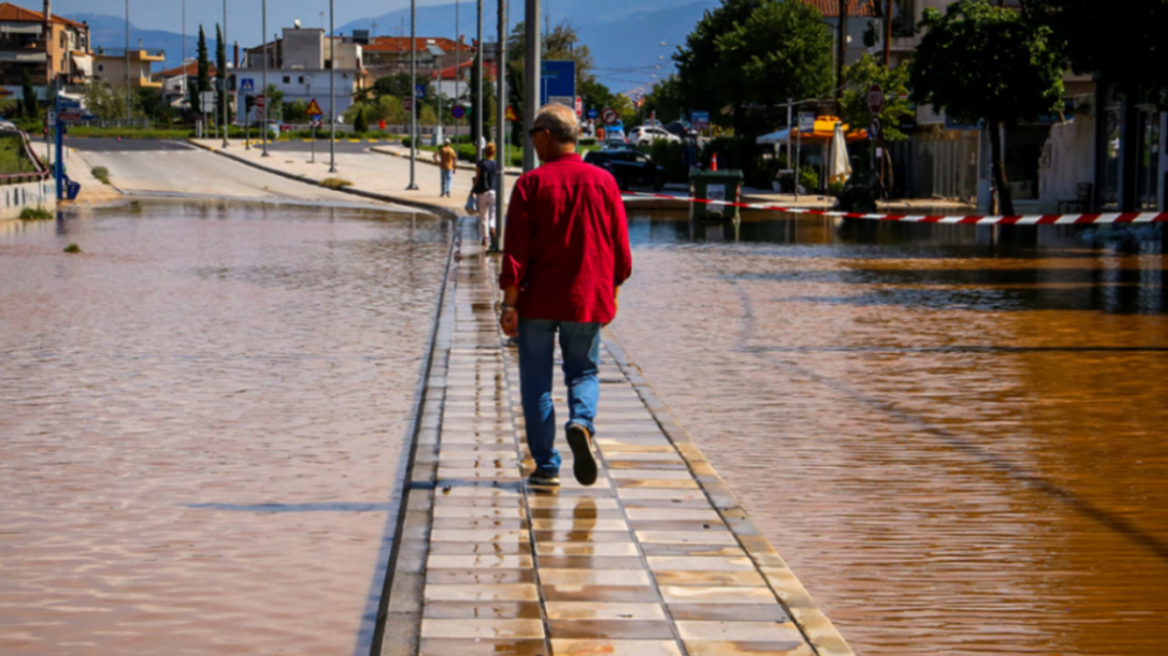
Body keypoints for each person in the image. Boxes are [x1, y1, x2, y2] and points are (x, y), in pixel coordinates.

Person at [498, 104, 632, 487]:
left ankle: (547, 467)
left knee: (537, 383)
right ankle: (581, 422)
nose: (532, 142)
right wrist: (614, 292)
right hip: (585, 300)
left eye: (532, 135)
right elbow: (621, 250)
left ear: (545, 135)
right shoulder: (604, 182)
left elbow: (516, 253)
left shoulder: (530, 185)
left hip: (536, 302)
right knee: (584, 371)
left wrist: (509, 305)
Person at [472, 142, 498, 247]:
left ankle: (485, 238)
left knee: (483, 216)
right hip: (493, 191)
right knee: (493, 214)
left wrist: (472, 190)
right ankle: (492, 227)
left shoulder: (480, 163)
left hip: (482, 192)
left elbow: (477, 178)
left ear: (485, 152)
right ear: (494, 152)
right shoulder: (496, 164)